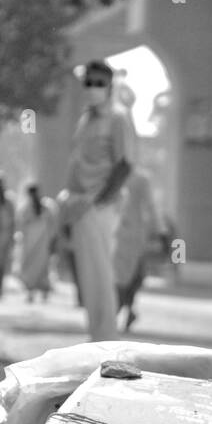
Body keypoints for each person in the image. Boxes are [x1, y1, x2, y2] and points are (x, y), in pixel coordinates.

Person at [59, 58, 136, 341]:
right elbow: (76, 163)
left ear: (109, 85)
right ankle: (96, 335)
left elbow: (125, 163)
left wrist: (100, 200)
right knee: (88, 277)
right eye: (88, 83)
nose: (93, 88)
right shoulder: (85, 119)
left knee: (101, 273)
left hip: (99, 205)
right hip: (79, 205)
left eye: (99, 83)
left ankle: (107, 337)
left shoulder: (118, 116)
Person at [113, 168, 167, 331]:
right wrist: (161, 232)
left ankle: (121, 310)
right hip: (132, 236)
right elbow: (151, 207)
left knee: (125, 277)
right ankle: (121, 310)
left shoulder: (111, 175)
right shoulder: (140, 179)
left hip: (115, 234)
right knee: (131, 277)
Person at [16, 182, 58, 303]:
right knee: (31, 267)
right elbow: (21, 226)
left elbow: (53, 225)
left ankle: (44, 289)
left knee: (43, 267)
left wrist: (53, 240)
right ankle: (30, 290)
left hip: (43, 243)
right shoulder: (26, 208)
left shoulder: (48, 206)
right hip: (30, 244)